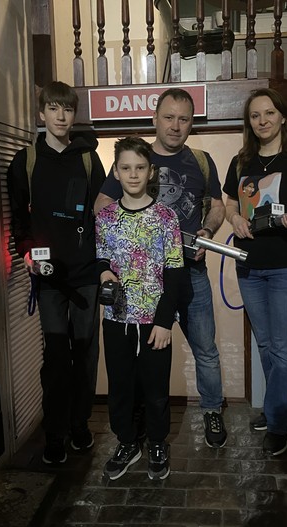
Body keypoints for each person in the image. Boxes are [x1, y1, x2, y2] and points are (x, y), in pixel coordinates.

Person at [94, 88, 228, 448]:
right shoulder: (135, 156)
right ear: (155, 118)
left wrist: (206, 231)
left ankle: (212, 410)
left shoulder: (201, 161)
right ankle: (141, 423)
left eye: (184, 119)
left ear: (191, 123)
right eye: (169, 117)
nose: (175, 126)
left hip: (192, 274)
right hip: (147, 282)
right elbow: (103, 206)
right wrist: (140, 245)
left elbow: (217, 206)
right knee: (143, 354)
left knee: (205, 349)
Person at [7, 81, 106, 464]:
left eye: (67, 109)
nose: (61, 116)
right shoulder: (25, 162)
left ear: (73, 114)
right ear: (41, 113)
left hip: (86, 275)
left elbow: (102, 217)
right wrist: (27, 254)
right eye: (53, 108)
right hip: (48, 278)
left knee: (86, 354)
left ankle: (80, 425)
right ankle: (55, 432)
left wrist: (105, 266)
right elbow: (19, 221)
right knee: (55, 357)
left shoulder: (88, 159)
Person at [223, 87, 287, 456]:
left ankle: (280, 421)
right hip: (249, 266)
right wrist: (234, 218)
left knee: (282, 347)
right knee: (265, 344)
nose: (262, 120)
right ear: (249, 122)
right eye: (255, 115)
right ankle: (277, 407)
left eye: (268, 113)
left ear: (282, 116)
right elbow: (229, 203)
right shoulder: (241, 162)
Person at [95, 136, 184, 480]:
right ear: (116, 172)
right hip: (116, 319)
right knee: (121, 386)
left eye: (140, 167)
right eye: (126, 168)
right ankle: (127, 442)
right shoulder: (106, 217)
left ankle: (158, 443)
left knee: (155, 387)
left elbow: (175, 272)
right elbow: (101, 257)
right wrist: (104, 271)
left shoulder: (166, 217)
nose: (133, 174)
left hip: (154, 321)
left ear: (151, 172)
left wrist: (164, 321)